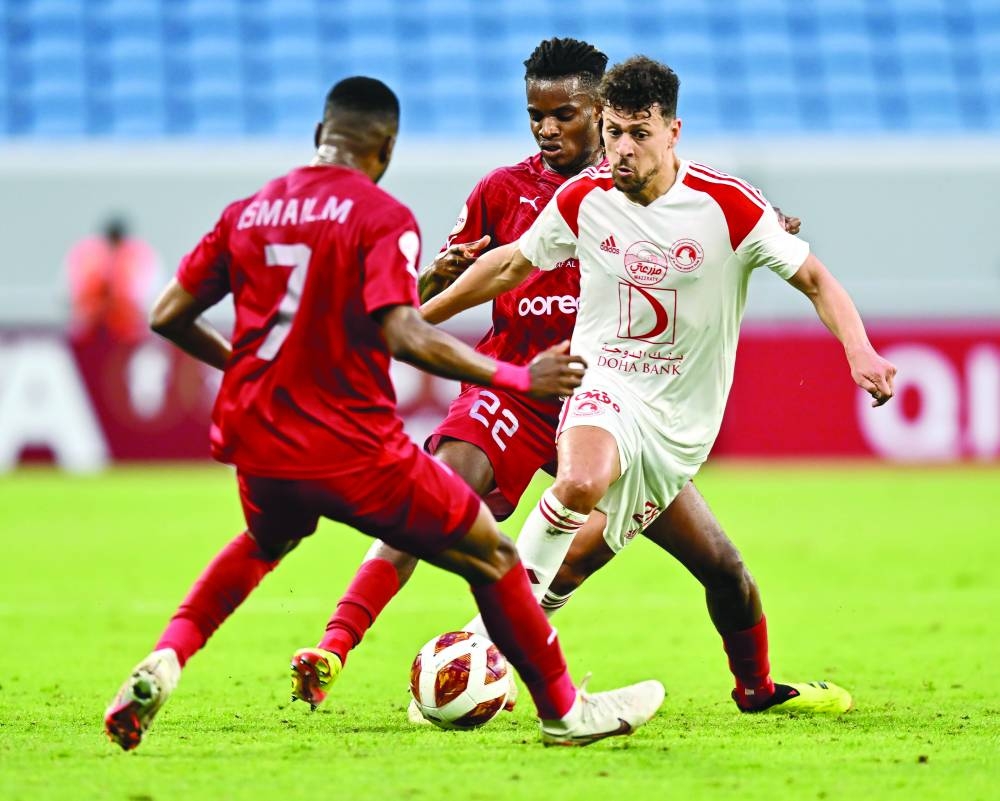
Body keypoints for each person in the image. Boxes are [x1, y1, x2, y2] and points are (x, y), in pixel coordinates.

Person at [102, 76, 665, 751]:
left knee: (262, 543)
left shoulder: (246, 212)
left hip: (260, 441)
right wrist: (517, 374)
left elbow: (167, 314)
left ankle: (166, 657)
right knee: (491, 555)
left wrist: (249, 368)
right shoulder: (380, 216)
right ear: (388, 148)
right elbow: (402, 333)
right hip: (351, 445)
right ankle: (565, 711)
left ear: (320, 136)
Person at [290, 38, 817, 722]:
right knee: (432, 496)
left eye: (563, 114)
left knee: (719, 564)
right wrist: (423, 291)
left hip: (613, 401)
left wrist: (763, 235)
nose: (545, 128)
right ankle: (334, 646)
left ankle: (756, 690)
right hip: (516, 385)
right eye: (534, 114)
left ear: (603, 114)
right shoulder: (501, 191)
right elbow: (454, 284)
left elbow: (728, 240)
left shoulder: (662, 192)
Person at [418, 56, 898, 715]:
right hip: (604, 383)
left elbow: (815, 279)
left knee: (722, 570)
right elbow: (509, 265)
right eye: (613, 131)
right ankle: (491, 648)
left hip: (677, 427)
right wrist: (414, 321)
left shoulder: (728, 206)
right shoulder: (584, 199)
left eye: (638, 133)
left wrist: (860, 350)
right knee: (579, 480)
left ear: (674, 131)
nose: (622, 148)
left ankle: (757, 690)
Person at [65, 215, 161, 345]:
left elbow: (146, 299)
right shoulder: (87, 255)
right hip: (91, 329)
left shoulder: (139, 256)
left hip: (128, 330)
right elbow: (72, 295)